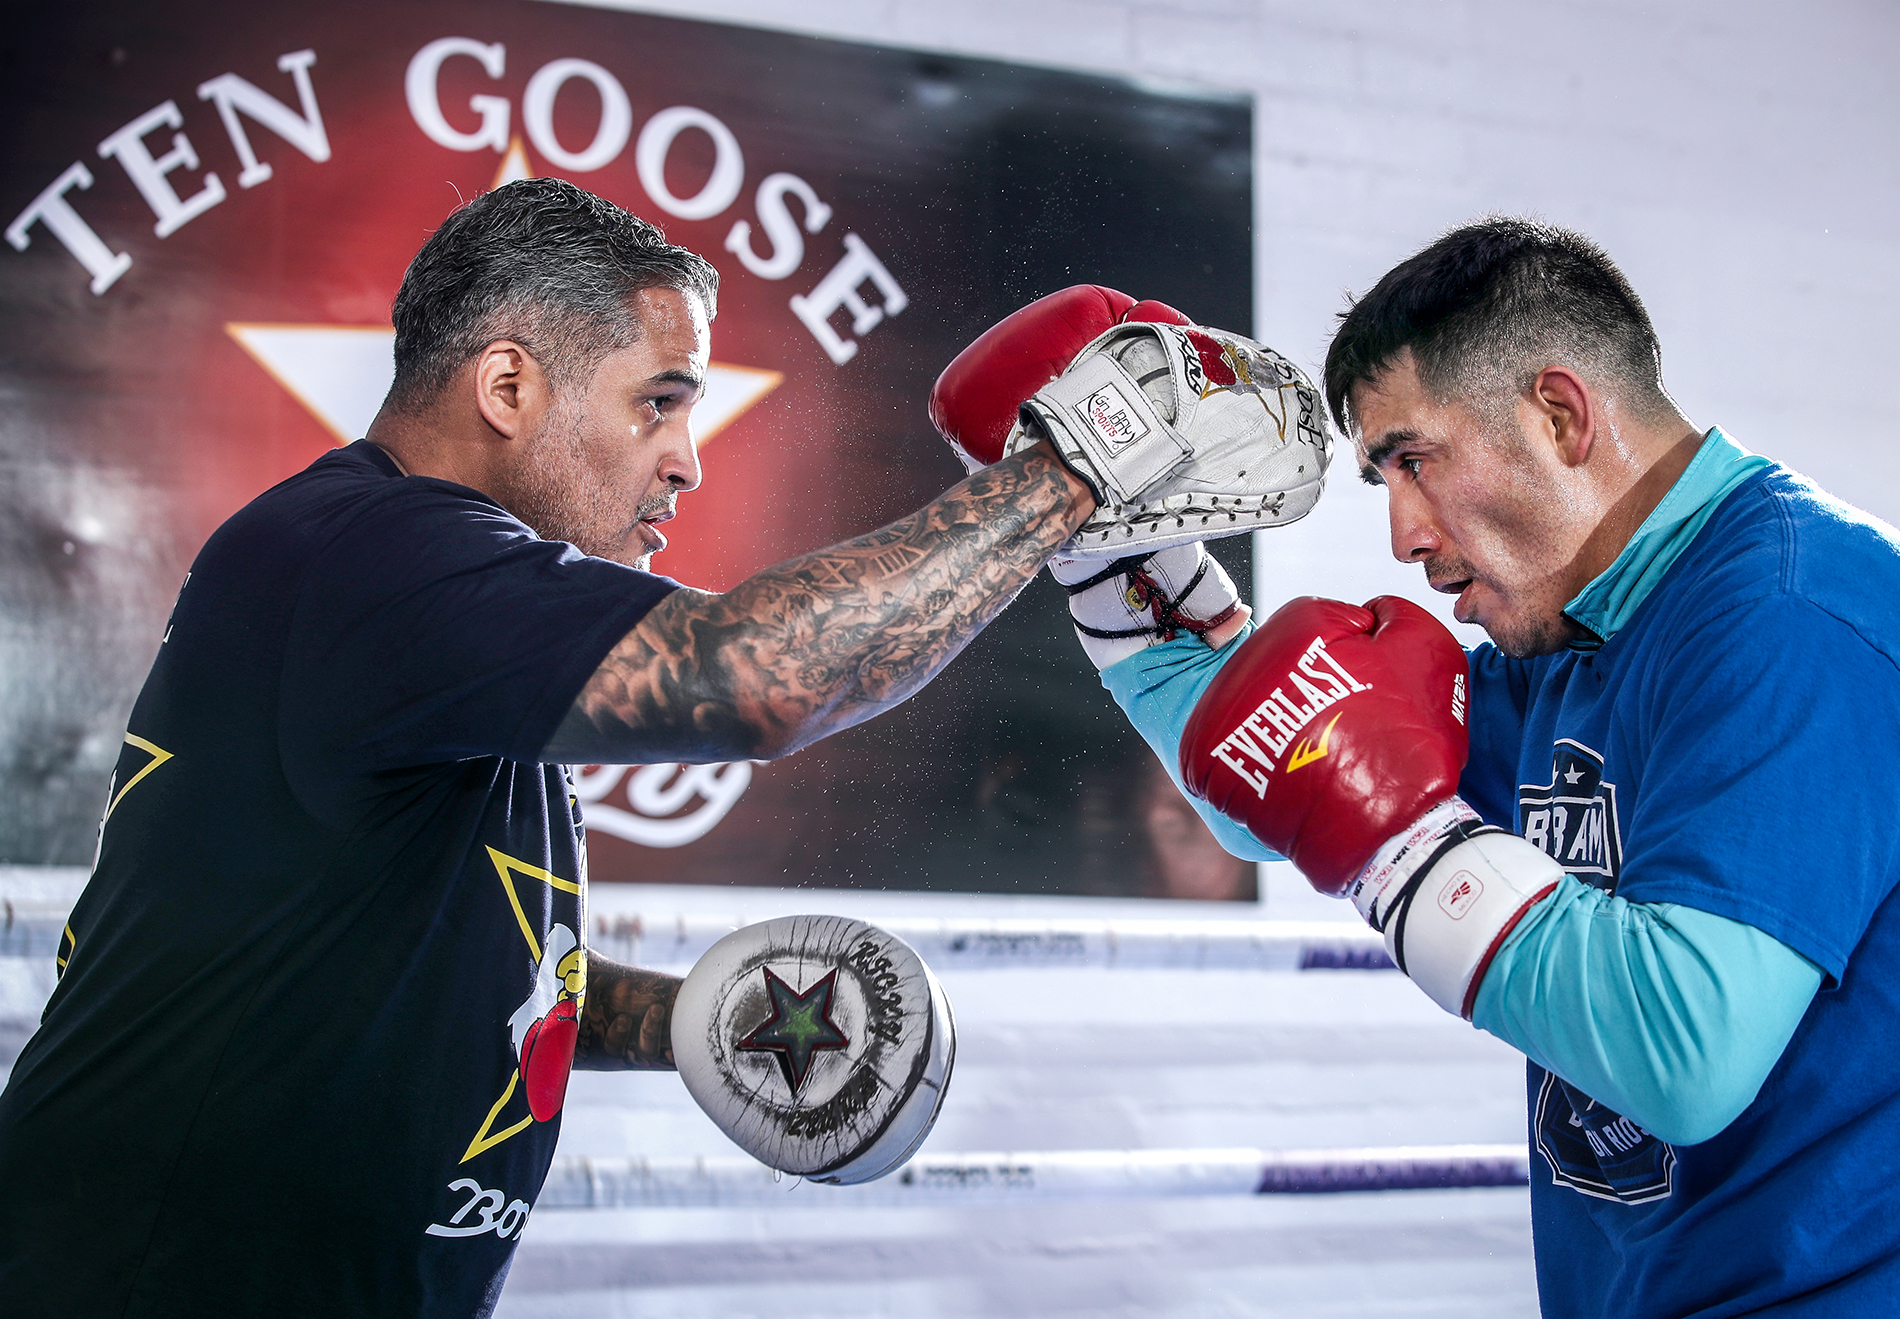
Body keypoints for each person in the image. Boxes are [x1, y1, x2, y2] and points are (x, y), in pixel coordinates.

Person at [0, 180, 1291, 1318]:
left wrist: (691, 1020)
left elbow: (420, 946)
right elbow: (757, 680)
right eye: (658, 402)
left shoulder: (443, 615)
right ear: (509, 386)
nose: (686, 462)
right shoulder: (365, 554)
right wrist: (1073, 469)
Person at [938, 219, 1900, 1315]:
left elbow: (1681, 1048)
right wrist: (1116, 565)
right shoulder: (1577, 638)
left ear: (1559, 415)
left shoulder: (1794, 616)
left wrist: (1395, 838)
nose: (1403, 534)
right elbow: (1269, 783)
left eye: (1413, 460)